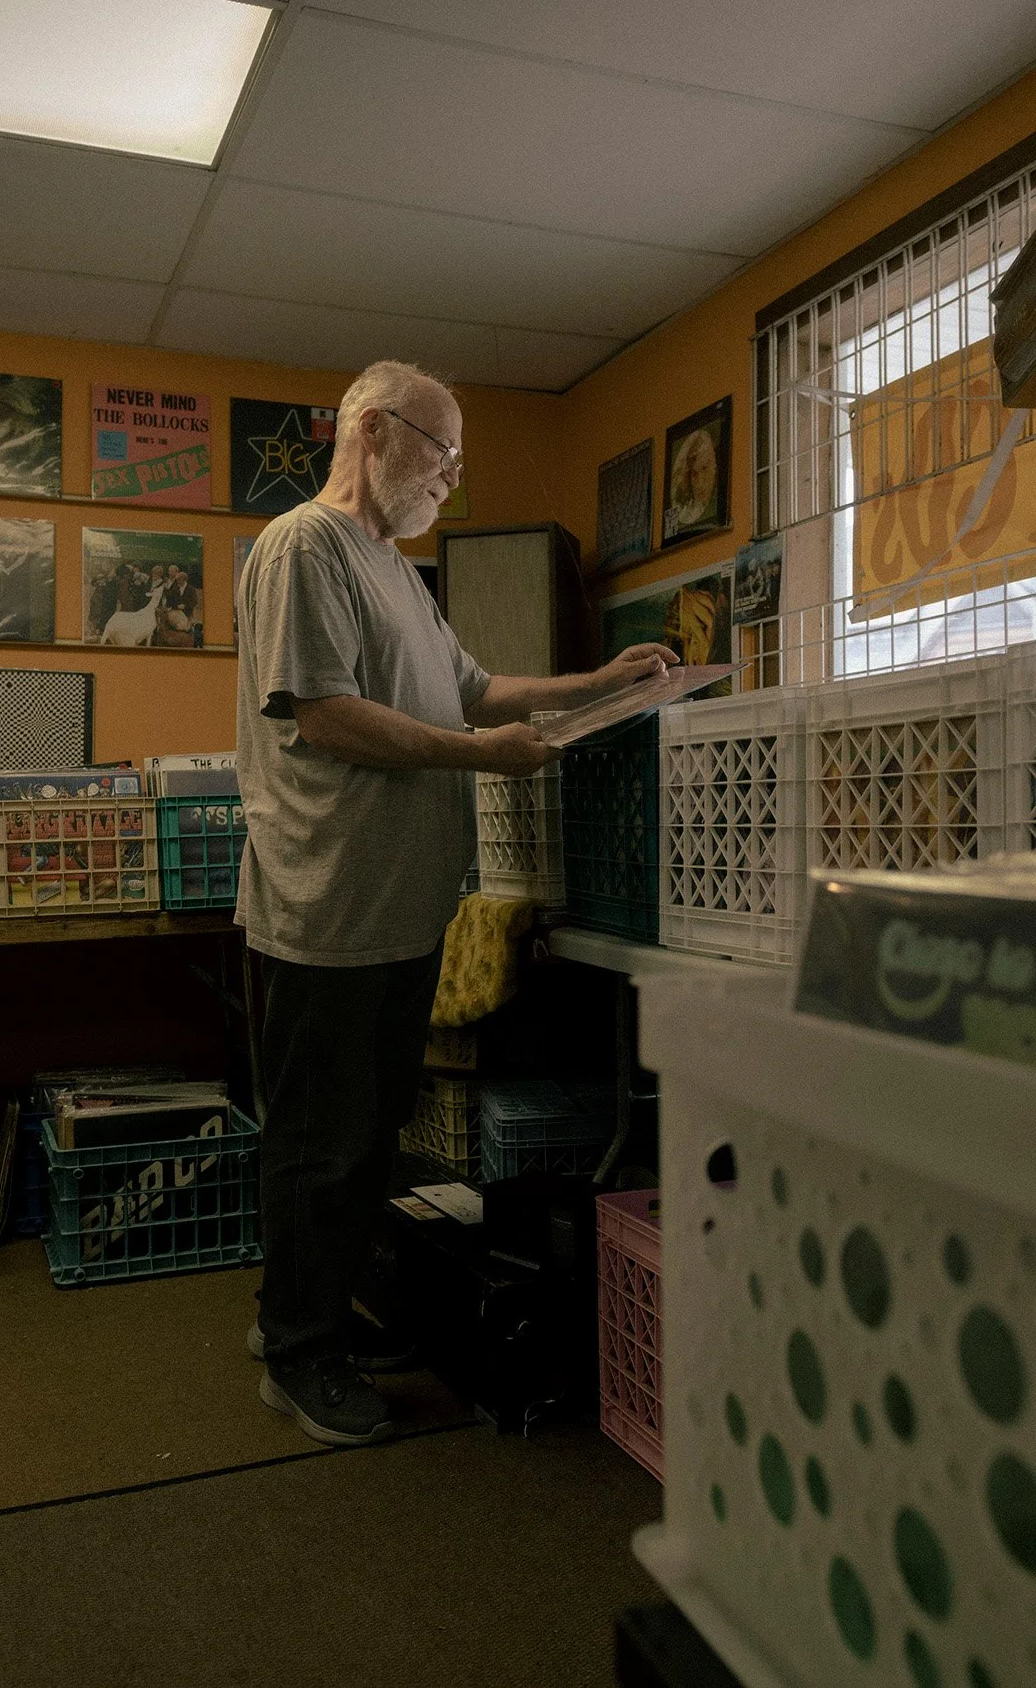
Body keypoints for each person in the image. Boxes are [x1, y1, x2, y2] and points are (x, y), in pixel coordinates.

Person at [235, 358, 677, 1448]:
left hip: (394, 911)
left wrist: (599, 681)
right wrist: (483, 755)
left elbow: (476, 690)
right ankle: (298, 1357)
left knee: (364, 1137)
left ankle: (303, 1316)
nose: (451, 480)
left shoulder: (392, 568)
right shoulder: (305, 546)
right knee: (320, 1143)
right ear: (375, 432)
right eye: (442, 454)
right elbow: (325, 716)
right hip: (322, 910)